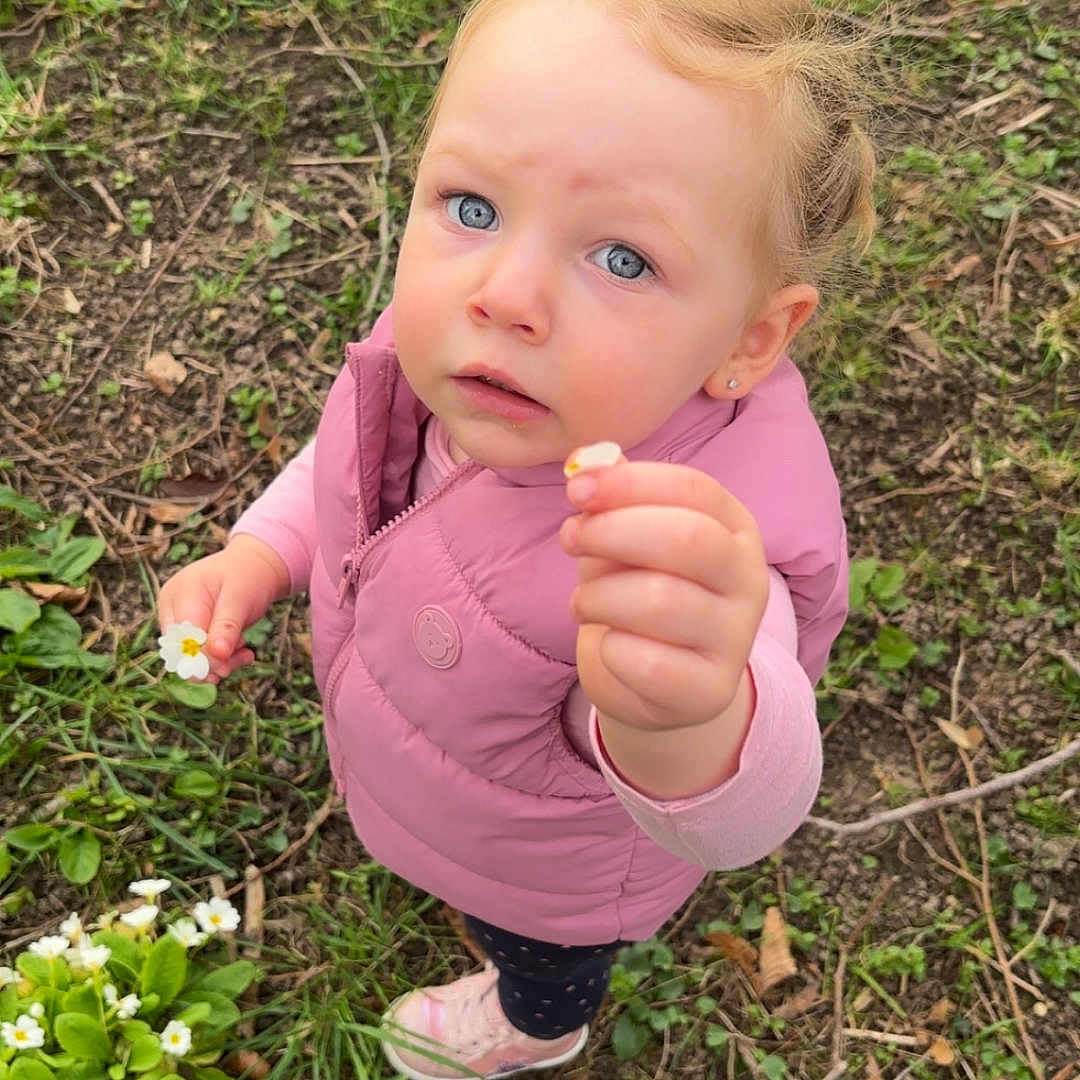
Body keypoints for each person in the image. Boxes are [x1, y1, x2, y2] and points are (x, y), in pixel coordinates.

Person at [157, 0, 875, 1075]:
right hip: (436, 764)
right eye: (473, 205)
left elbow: (740, 819)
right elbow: (344, 468)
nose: (507, 295)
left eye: (624, 260)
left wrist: (690, 709)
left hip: (552, 878)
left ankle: (538, 1025)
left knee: (539, 954)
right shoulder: (454, 354)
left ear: (750, 339)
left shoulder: (688, 550)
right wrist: (258, 554)